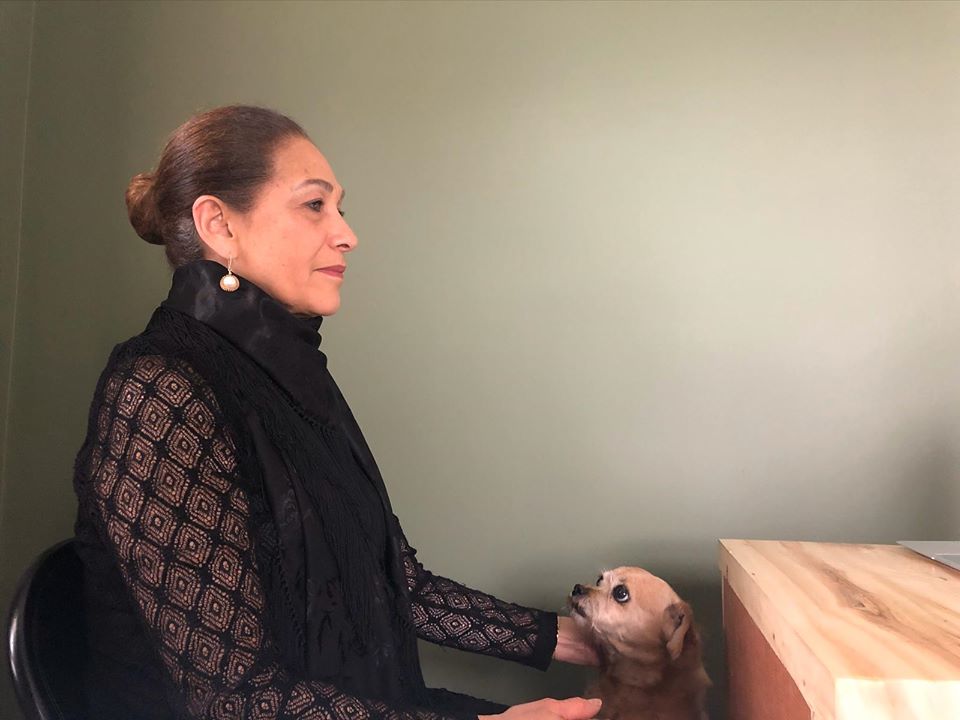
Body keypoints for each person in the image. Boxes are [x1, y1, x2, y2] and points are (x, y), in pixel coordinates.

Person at [73, 105, 601, 720]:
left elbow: (398, 584)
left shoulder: (292, 373)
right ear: (219, 224)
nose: (347, 234)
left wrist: (575, 639)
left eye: (339, 207)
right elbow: (236, 701)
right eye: (314, 205)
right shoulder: (158, 390)